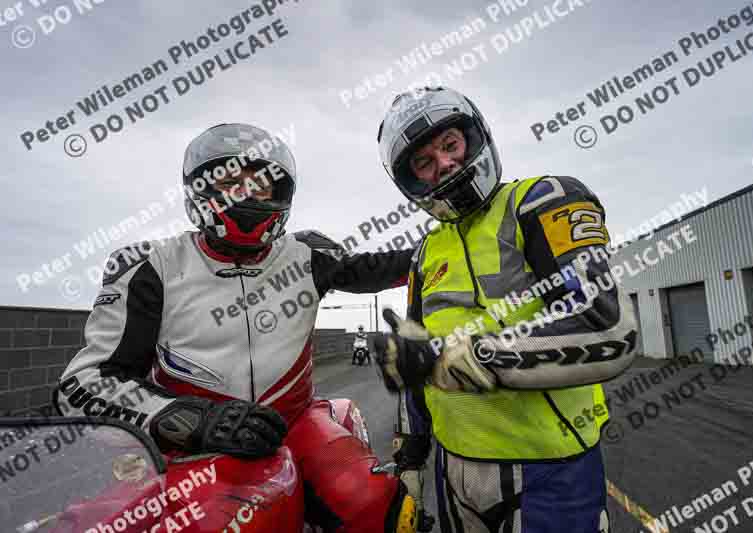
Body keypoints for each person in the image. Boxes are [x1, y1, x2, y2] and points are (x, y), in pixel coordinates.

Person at [54, 123, 419, 533]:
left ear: (281, 196)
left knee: (376, 502)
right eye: (229, 182)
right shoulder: (150, 266)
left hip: (295, 422)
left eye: (260, 185)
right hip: (188, 443)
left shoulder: (309, 254)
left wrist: (456, 236)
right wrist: (192, 419)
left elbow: (381, 267)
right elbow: (82, 384)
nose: (246, 196)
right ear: (199, 189)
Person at [373, 87, 639, 533]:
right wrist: (410, 460)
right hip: (452, 472)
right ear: (412, 180)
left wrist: (476, 356)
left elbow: (610, 331)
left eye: (449, 144)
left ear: (475, 138)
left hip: (551, 472)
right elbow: (415, 368)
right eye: (423, 161)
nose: (443, 163)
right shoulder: (424, 254)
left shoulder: (542, 200)